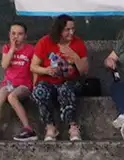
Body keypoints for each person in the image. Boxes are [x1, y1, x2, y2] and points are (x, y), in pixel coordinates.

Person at [30, 14, 89, 142]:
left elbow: (84, 71)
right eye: (67, 30)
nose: (71, 32)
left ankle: (72, 127)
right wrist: (47, 70)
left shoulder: (78, 43)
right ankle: (50, 127)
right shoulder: (45, 42)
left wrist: (75, 57)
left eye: (73, 29)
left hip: (70, 81)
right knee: (39, 91)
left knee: (65, 90)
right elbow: (33, 66)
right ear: (59, 29)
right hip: (48, 80)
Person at [0, 21, 38, 142]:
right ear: (9, 35)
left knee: (12, 97)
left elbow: (35, 69)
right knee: (0, 96)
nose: (16, 37)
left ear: (25, 36)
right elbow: (4, 65)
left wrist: (35, 85)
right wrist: (12, 50)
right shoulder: (6, 48)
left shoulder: (31, 50)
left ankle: (28, 128)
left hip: (24, 85)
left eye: (20, 34)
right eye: (13, 33)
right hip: (9, 84)